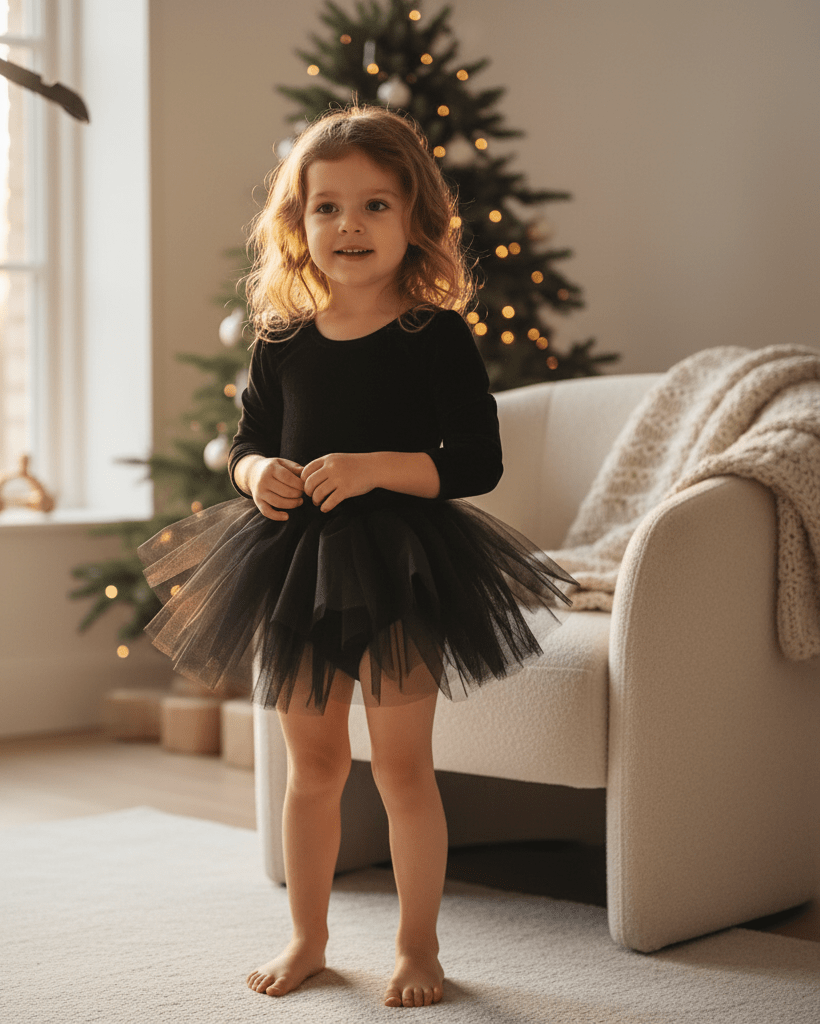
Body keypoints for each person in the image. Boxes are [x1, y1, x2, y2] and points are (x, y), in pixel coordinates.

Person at [139, 105, 575, 1008]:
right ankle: (308, 935)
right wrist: (258, 473)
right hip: (294, 567)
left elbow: (477, 462)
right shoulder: (283, 341)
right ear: (296, 223)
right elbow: (244, 442)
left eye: (375, 205)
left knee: (405, 769)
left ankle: (420, 946)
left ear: (416, 219)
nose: (349, 225)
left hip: (405, 568)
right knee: (316, 770)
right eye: (326, 207)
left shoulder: (434, 336)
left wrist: (378, 467)